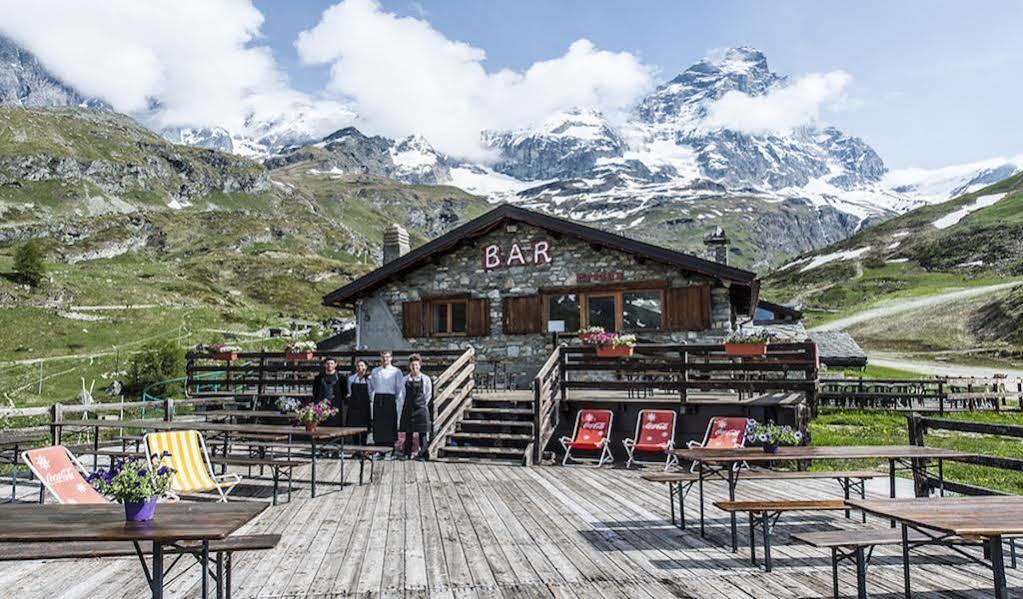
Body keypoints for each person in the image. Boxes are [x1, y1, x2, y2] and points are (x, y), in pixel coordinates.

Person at [369, 351, 404, 455]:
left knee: (390, 424)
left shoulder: (396, 371)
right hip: (378, 397)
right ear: (380, 359)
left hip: (390, 397)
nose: (385, 359)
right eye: (383, 357)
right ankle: (378, 450)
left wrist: (393, 397)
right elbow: (372, 386)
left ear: (391, 358)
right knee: (378, 424)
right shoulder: (375, 371)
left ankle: (389, 450)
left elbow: (399, 387)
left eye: (387, 357)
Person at [400, 353, 433, 460]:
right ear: (409, 366)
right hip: (408, 408)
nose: (414, 367)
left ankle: (423, 454)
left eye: (416, 365)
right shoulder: (405, 379)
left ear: (420, 366)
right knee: (408, 432)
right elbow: (402, 394)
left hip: (421, 408)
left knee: (422, 432)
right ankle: (407, 453)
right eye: (412, 365)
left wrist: (422, 404)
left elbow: (428, 394)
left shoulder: (426, 379)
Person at [311, 357, 346, 427]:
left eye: (331, 363)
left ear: (335, 365)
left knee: (335, 425)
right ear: (324, 365)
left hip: (335, 405)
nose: (329, 365)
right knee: (321, 425)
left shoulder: (341, 377)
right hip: (321, 405)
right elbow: (315, 391)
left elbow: (344, 392)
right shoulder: (319, 377)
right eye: (327, 364)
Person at [346, 359, 373, 444]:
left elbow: (371, 392)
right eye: (358, 366)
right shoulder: (351, 378)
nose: (360, 367)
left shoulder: (370, 379)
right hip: (354, 407)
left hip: (365, 406)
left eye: (362, 365)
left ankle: (364, 448)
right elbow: (350, 392)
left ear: (366, 367)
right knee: (354, 429)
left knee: (365, 428)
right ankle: (356, 449)